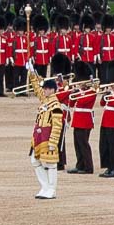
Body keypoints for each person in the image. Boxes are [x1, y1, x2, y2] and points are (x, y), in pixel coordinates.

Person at [27, 67, 68, 200]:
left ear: (52, 90)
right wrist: (32, 74)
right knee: (35, 160)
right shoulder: (46, 101)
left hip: (48, 137)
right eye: (44, 89)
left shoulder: (55, 106)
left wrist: (53, 142)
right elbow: (37, 90)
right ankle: (44, 186)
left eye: (46, 89)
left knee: (50, 164)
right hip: (39, 136)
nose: (44, 90)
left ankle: (51, 189)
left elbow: (57, 126)